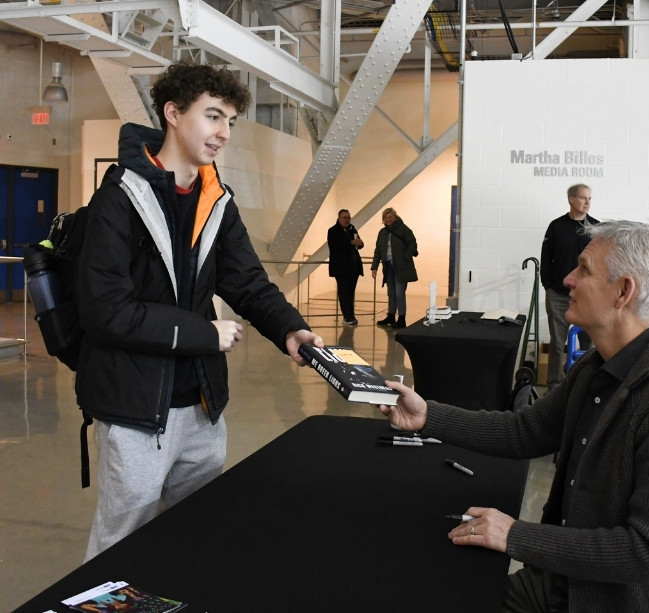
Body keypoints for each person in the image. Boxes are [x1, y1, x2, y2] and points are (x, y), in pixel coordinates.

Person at [379, 220, 649, 612]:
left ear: (623, 292)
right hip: (572, 581)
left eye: (584, 270)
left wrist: (515, 536)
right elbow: (526, 430)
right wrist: (428, 417)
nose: (568, 278)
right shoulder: (598, 366)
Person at [75, 61, 323, 560]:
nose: (223, 132)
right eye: (213, 116)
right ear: (172, 113)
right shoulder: (120, 198)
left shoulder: (216, 200)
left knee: (197, 537)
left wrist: (290, 329)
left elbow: (247, 281)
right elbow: (106, 311)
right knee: (121, 547)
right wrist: (204, 334)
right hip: (135, 410)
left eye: (230, 120)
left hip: (203, 408)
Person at [540, 183, 599, 389]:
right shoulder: (556, 226)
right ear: (571, 199)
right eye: (583, 198)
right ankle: (554, 385)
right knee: (557, 343)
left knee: (587, 342)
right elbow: (546, 259)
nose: (587, 202)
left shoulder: (596, 228)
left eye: (590, 199)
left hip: (587, 296)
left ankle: (583, 382)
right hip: (558, 294)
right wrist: (548, 286)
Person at [370, 207, 418, 329]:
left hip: (401, 267)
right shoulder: (382, 232)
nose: (388, 219)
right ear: (383, 219)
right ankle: (391, 316)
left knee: (399, 293)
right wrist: (374, 267)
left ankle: (401, 318)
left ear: (395, 217)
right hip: (389, 267)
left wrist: (405, 257)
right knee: (391, 292)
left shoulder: (403, 229)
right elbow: (378, 251)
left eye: (390, 217)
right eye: (386, 218)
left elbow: (412, 243)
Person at [327, 209, 364, 325]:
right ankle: (347, 317)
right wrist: (351, 243)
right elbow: (335, 246)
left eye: (348, 217)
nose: (347, 220)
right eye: (344, 217)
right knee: (343, 292)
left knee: (351, 292)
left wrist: (360, 243)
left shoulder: (352, 229)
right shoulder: (333, 231)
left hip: (353, 267)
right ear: (339, 219)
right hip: (341, 268)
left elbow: (358, 244)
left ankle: (350, 315)